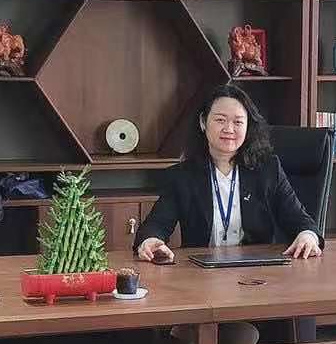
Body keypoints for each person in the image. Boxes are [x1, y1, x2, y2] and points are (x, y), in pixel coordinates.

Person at [135, 84, 323, 263]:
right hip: (201, 273)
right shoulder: (183, 176)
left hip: (257, 272)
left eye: (238, 122)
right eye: (220, 120)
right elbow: (155, 225)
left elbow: (301, 221)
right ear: (203, 122)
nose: (229, 129)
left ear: (248, 126)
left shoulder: (268, 170)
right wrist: (151, 241)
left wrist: (307, 236)